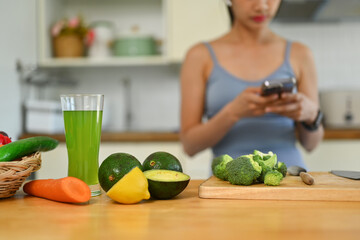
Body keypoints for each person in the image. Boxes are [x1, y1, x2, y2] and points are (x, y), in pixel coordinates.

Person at [180, 0, 324, 170]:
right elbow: (190, 146)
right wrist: (232, 113)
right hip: (228, 185)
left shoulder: (300, 54)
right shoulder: (199, 56)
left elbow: (311, 145)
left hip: (290, 180)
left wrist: (310, 116)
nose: (262, 6)